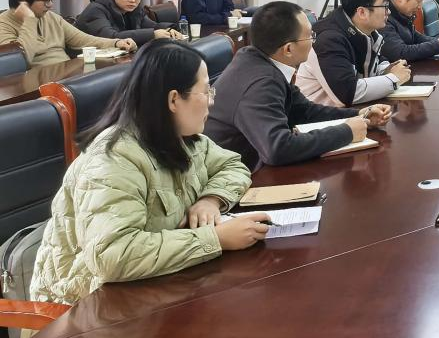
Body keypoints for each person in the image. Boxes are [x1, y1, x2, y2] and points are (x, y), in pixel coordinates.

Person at [29, 40, 270, 306]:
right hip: (84, 305)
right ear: (174, 99)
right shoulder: (114, 158)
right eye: (206, 91)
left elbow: (232, 165)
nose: (212, 100)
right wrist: (216, 239)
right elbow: (113, 255)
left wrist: (211, 200)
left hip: (153, 286)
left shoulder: (183, 138)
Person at [205, 1, 392, 169]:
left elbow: (304, 111)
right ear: (288, 49)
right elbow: (277, 148)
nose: (313, 41)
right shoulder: (261, 82)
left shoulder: (260, 59)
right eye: (310, 36)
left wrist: (359, 115)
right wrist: (346, 132)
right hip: (232, 178)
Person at [296, 0, 412, 107]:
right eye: (385, 6)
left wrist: (387, 70)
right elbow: (347, 93)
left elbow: (374, 64)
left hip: (347, 111)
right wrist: (393, 79)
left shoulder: (367, 32)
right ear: (362, 12)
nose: (388, 12)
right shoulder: (329, 40)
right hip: (318, 116)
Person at [0, 0, 134, 66]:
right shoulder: (3, 25)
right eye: (46, 0)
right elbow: (20, 61)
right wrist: (29, 20)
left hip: (64, 73)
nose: (50, 5)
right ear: (23, 1)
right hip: (35, 84)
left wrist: (116, 43)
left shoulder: (50, 17)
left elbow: (82, 39)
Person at [75, 0, 182, 47]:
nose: (133, 0)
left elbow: (152, 26)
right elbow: (112, 37)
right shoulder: (95, 10)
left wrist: (169, 29)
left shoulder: (134, 9)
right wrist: (153, 35)